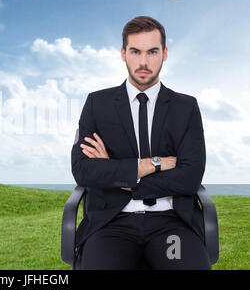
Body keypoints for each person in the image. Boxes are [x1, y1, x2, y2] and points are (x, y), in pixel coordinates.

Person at [71, 16, 211, 269]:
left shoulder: (186, 107)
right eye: (135, 52)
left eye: (152, 52)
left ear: (165, 54)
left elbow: (189, 176)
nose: (144, 62)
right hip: (111, 224)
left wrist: (119, 175)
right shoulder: (97, 103)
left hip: (171, 224)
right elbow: (83, 170)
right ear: (123, 54)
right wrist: (156, 164)